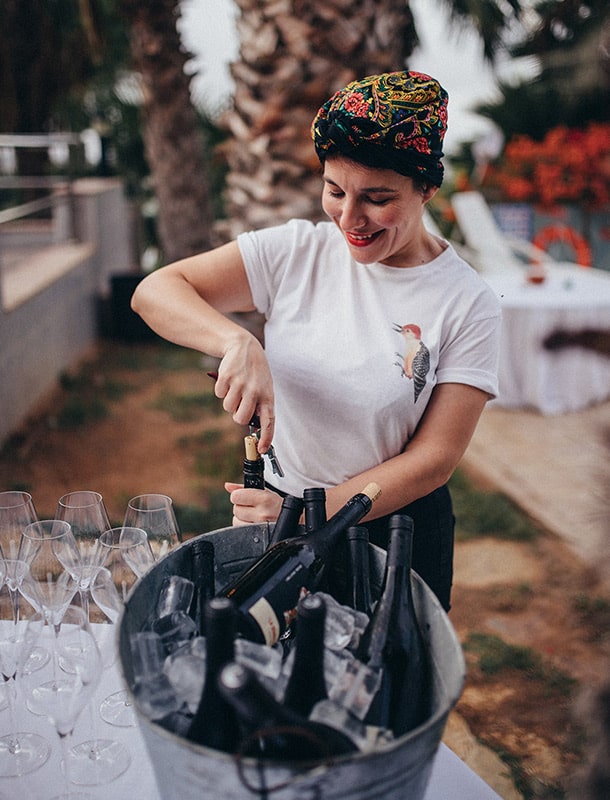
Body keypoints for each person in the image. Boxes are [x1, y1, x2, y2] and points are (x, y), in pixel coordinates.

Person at [131, 71, 501, 611]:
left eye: (377, 198)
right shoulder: (296, 253)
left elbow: (434, 459)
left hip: (391, 532)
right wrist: (236, 341)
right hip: (279, 514)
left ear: (426, 188)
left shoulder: (468, 301)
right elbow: (155, 291)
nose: (349, 219)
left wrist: (311, 514)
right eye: (335, 191)